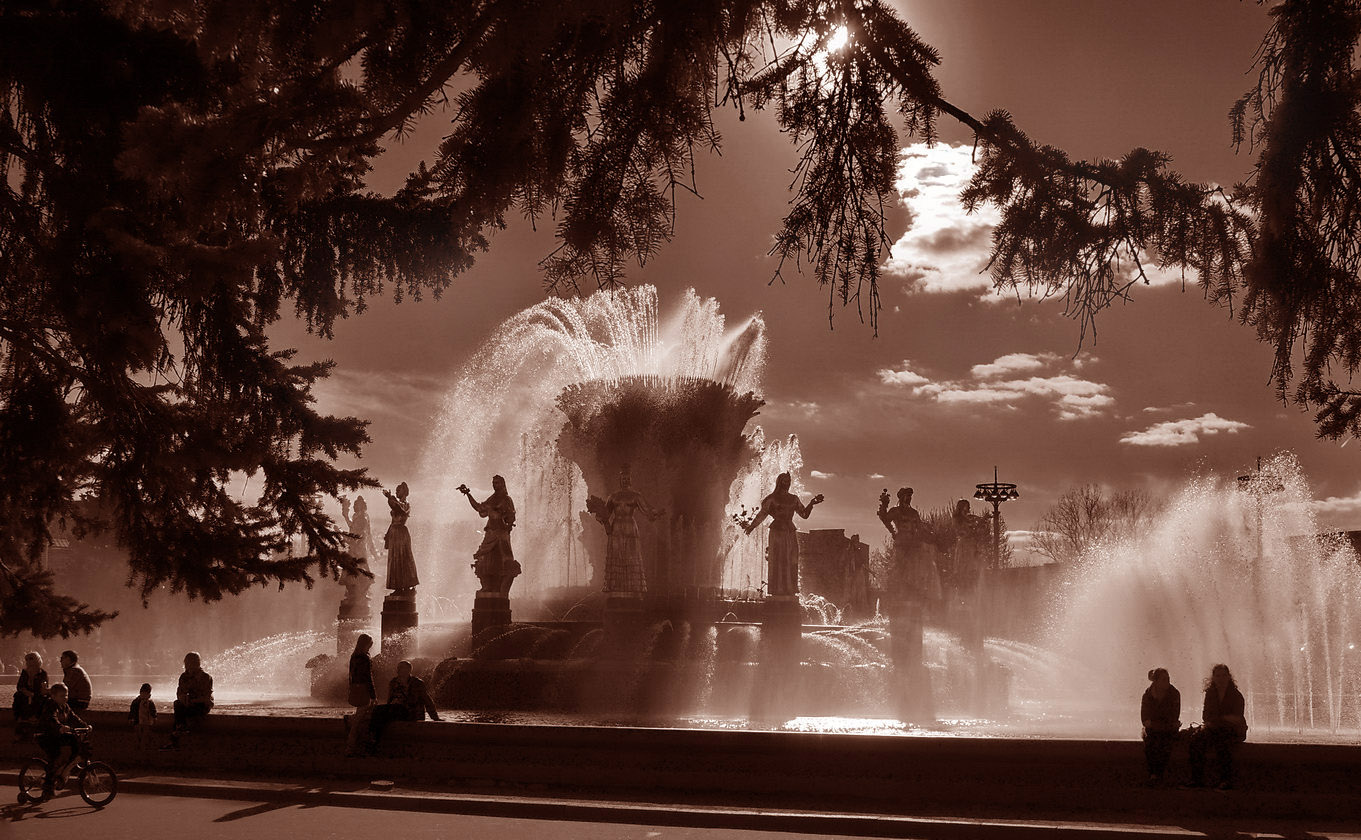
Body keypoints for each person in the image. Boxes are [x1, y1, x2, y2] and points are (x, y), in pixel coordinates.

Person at [742, 472, 823, 596]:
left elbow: (804, 515)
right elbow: (762, 515)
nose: (788, 483)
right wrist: (752, 527)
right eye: (785, 480)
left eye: (789, 480)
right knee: (778, 559)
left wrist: (812, 503)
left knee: (791, 559)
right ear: (779, 482)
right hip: (777, 532)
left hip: (790, 532)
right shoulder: (772, 498)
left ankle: (790, 589)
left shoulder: (794, 498)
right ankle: (777, 589)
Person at [590, 466, 663, 594]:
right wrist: (600, 514)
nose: (625, 480)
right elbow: (605, 513)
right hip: (616, 527)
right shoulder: (613, 496)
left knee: (631, 556)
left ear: (630, 479)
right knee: (617, 555)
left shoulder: (636, 496)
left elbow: (647, 510)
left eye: (627, 478)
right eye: (623, 478)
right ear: (620, 480)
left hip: (630, 527)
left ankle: (633, 588)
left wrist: (656, 513)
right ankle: (615, 587)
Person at [1187, 663, 1248, 789]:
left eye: (1224, 675)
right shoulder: (1210, 694)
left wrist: (1218, 719)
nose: (1221, 679)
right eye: (1218, 676)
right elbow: (1206, 716)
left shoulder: (1236, 695)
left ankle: (1225, 779)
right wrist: (1221, 718)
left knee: (1224, 743)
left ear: (1229, 677)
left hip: (1232, 730)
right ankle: (1196, 779)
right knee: (1195, 741)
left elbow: (1237, 718)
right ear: (1213, 678)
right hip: (1215, 728)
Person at [877, 487, 942, 603]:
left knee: (914, 568)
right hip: (901, 542)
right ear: (901, 497)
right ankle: (900, 592)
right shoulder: (896, 511)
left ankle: (913, 592)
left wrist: (931, 537)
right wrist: (884, 505)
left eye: (910, 496)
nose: (909, 498)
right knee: (901, 567)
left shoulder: (914, 513)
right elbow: (885, 518)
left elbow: (920, 528)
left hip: (913, 543)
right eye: (907, 496)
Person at [462, 475, 521, 595]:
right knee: (484, 558)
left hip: (501, 535)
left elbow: (512, 516)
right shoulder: (491, 499)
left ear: (502, 484)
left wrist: (507, 523)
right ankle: (487, 586)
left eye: (497, 483)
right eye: (493, 482)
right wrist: (468, 494)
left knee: (504, 561)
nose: (495, 485)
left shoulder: (507, 500)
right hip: (491, 534)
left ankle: (499, 588)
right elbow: (478, 507)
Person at [368, 660, 442, 748]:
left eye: (400, 668)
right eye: (398, 668)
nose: (397, 670)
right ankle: (373, 737)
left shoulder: (417, 683)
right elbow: (390, 699)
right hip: (395, 710)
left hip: (411, 712)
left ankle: (374, 740)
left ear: (408, 670)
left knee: (389, 710)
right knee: (377, 710)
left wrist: (435, 717)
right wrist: (388, 708)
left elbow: (427, 700)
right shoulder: (393, 682)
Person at [37, 682, 87, 798]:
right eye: (62, 696)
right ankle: (48, 787)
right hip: (45, 735)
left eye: (66, 695)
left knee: (76, 744)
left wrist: (85, 726)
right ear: (53, 697)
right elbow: (52, 719)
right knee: (54, 756)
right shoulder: (50, 705)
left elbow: (73, 717)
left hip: (56, 735)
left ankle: (67, 768)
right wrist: (60, 727)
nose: (65, 698)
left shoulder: (65, 706)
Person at [162, 652, 213, 750]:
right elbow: (179, 693)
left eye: (189, 664)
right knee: (177, 704)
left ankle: (175, 737)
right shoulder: (183, 676)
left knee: (180, 714)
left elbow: (206, 698)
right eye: (186, 664)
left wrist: (193, 701)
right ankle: (180, 729)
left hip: (201, 705)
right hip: (187, 704)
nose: (187, 666)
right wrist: (182, 698)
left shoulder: (206, 677)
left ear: (196, 664)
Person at [1140, 667, 1181, 785]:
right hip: (1154, 728)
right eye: (1164, 679)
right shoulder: (1147, 695)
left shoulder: (1174, 694)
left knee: (1165, 742)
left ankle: (1158, 774)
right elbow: (1144, 717)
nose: (1167, 682)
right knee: (1151, 742)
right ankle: (1153, 774)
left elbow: (1174, 715)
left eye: (1168, 679)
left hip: (1167, 728)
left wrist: (1157, 724)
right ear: (1155, 681)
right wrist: (1153, 724)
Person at [382, 483, 419, 593]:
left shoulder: (406, 504)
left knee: (403, 558)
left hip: (401, 534)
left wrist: (390, 497)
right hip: (394, 533)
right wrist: (388, 534)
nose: (397, 492)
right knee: (395, 560)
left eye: (399, 490)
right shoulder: (398, 503)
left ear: (404, 492)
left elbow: (399, 509)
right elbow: (393, 521)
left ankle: (407, 585)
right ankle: (398, 586)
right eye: (396, 490)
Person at [345, 634, 376, 757]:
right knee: (360, 719)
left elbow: (351, 676)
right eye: (370, 644)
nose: (370, 647)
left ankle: (359, 744)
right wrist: (373, 695)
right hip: (364, 690)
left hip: (356, 688)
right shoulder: (364, 658)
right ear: (366, 644)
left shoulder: (354, 656)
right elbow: (368, 678)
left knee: (362, 716)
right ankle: (350, 746)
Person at [12, 651, 49, 737]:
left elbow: (43, 688)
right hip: (25, 694)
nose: (29, 662)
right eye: (27, 660)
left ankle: (35, 717)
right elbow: (20, 685)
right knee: (18, 696)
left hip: (37, 694)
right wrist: (25, 691)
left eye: (31, 659)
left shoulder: (42, 673)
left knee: (40, 699)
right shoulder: (25, 672)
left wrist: (33, 693)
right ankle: (19, 717)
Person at [128, 682, 157, 749]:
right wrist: (131, 718)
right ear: (140, 693)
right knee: (138, 734)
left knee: (145, 734)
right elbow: (132, 710)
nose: (145, 695)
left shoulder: (149, 702)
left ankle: (143, 745)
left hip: (147, 722)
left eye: (147, 694)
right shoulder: (136, 701)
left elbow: (153, 710)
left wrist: (154, 717)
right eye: (143, 693)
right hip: (138, 721)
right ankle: (139, 745)